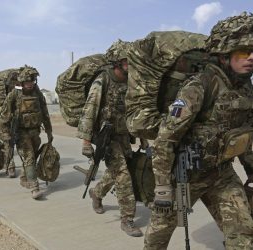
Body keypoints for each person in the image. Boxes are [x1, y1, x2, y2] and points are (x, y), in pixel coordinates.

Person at [144, 12, 253, 249]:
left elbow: (244, 133)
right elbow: (165, 138)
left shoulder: (246, 89)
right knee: (158, 236)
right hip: (185, 176)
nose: (251, 58)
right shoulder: (198, 86)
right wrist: (162, 187)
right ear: (224, 54)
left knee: (244, 234)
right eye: (244, 51)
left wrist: (251, 170)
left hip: (221, 175)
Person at [77, 40, 143, 237]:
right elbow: (90, 111)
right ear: (117, 62)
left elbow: (135, 109)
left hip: (123, 134)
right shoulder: (102, 81)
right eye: (127, 61)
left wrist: (142, 137)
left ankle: (96, 193)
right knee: (122, 176)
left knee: (118, 171)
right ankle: (127, 219)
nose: (131, 64)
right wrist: (86, 141)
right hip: (106, 137)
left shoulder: (131, 82)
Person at [0, 65, 53, 199]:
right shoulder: (14, 94)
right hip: (21, 132)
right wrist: (5, 133)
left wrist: (49, 130)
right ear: (22, 82)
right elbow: (4, 116)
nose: (30, 84)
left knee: (33, 156)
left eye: (32, 81)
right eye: (27, 82)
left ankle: (25, 177)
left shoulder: (37, 93)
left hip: (35, 131)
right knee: (29, 157)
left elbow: (45, 112)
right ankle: (35, 187)